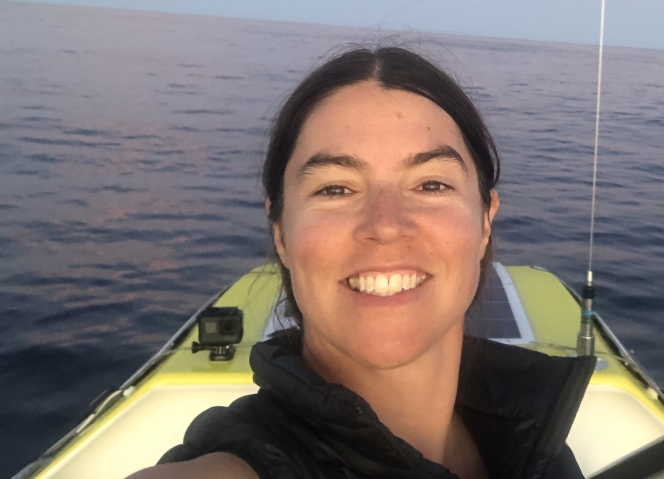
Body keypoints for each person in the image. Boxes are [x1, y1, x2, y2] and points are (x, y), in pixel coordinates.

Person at [131, 46, 595, 479]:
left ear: (485, 221)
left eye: (431, 184)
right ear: (282, 235)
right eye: (335, 188)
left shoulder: (534, 439)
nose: (387, 224)